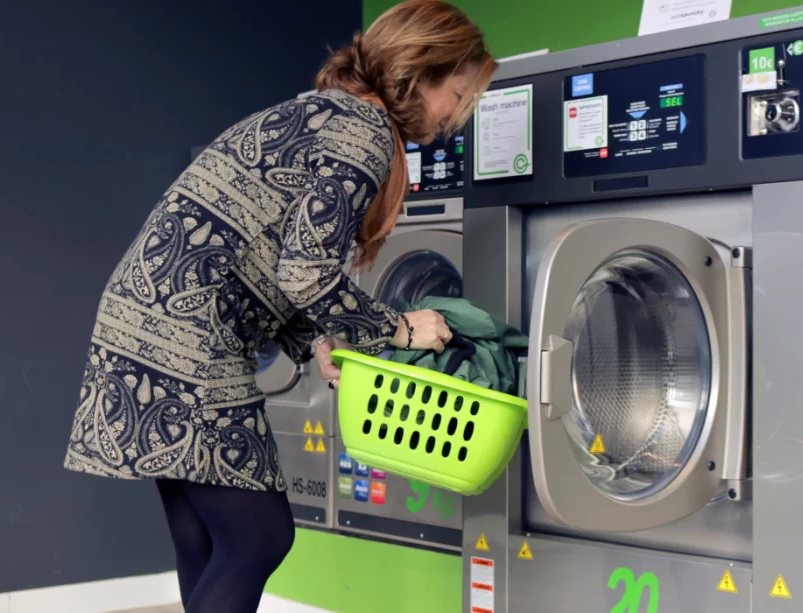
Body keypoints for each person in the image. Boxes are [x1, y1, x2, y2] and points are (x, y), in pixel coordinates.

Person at [62, 1, 497, 611]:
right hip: (190, 333)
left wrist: (320, 340)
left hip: (144, 316)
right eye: (457, 94)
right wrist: (399, 328)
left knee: (205, 538)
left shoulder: (323, 113)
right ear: (420, 74)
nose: (455, 117)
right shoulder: (364, 133)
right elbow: (307, 268)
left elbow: (274, 254)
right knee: (259, 536)